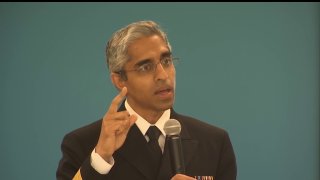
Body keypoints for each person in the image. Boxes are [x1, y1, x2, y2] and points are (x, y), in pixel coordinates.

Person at [56, 20, 237, 180]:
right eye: (145, 67)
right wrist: (100, 158)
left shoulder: (214, 142)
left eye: (166, 61)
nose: (163, 75)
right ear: (119, 80)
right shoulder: (84, 144)